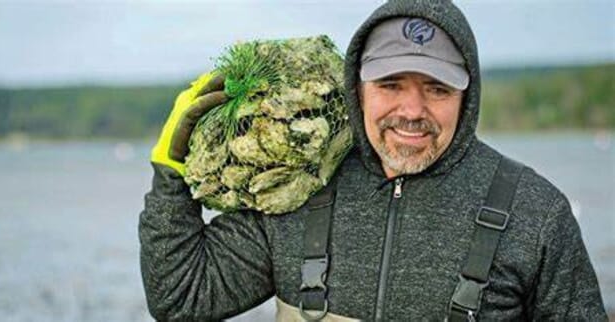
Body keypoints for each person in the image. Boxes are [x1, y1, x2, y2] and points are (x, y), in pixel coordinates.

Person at [139, 0, 607, 321]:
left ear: (468, 97)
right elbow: (181, 298)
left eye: (437, 89)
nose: (411, 111)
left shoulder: (536, 213)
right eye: (390, 85)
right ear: (356, 87)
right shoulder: (299, 185)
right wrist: (170, 175)